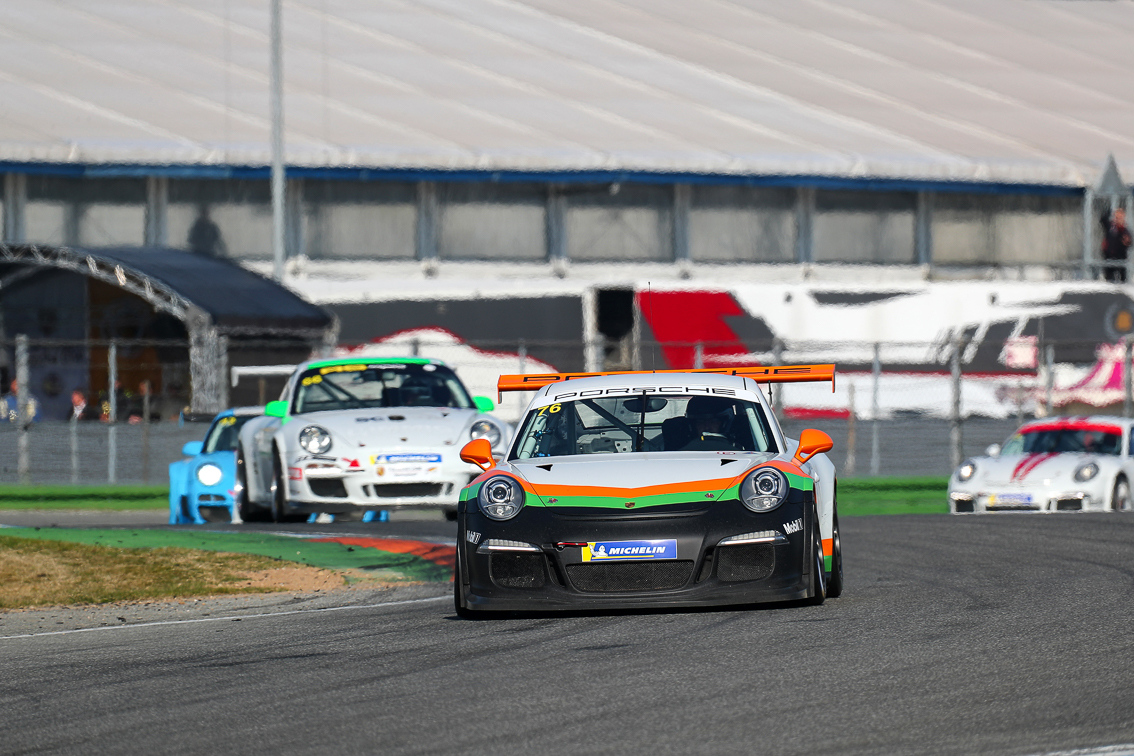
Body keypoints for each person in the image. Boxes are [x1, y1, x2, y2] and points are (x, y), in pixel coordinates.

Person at [1101, 208, 1131, 283]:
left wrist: (1127, 242)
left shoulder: (1125, 230)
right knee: (1109, 277)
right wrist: (1108, 211)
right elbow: (1103, 220)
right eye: (1117, 217)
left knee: (1122, 277)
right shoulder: (1110, 227)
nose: (1118, 219)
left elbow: (1128, 242)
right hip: (1109, 255)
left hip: (1121, 256)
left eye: (1120, 217)